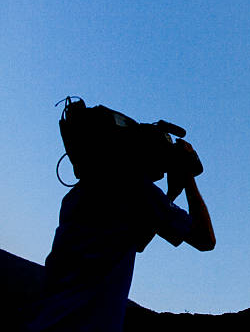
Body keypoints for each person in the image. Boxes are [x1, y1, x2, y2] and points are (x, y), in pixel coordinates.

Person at [24, 139, 215, 332]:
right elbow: (205, 239)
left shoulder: (77, 195)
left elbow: (137, 241)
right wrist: (188, 175)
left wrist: (171, 194)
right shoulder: (136, 187)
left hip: (46, 320)